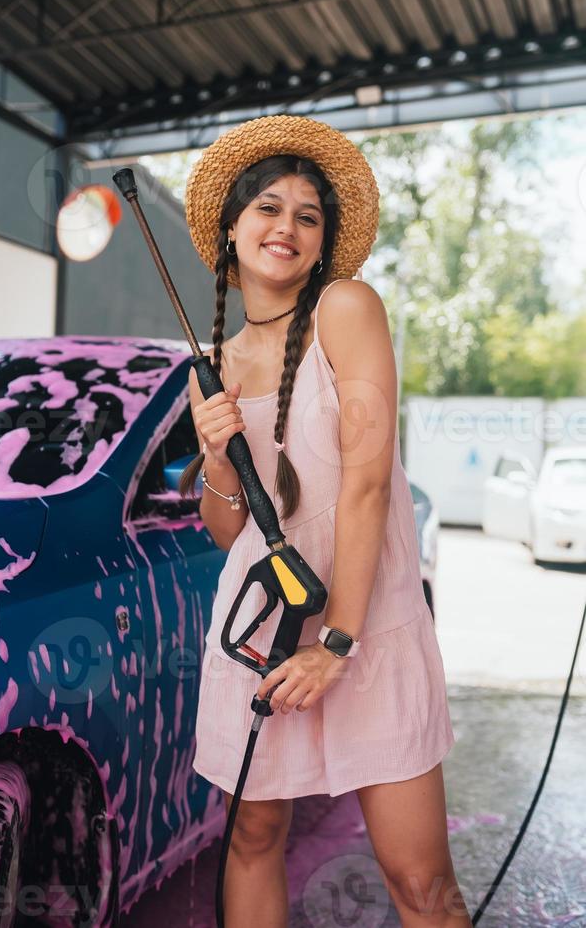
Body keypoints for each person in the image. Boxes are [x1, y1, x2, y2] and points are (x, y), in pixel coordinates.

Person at [179, 115, 472, 928]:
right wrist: (213, 461)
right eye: (268, 208)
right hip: (262, 635)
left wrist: (338, 641)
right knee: (252, 840)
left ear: (321, 243)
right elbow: (225, 533)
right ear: (231, 230)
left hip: (365, 627)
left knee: (419, 881)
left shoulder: (347, 307)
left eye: (307, 216)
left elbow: (368, 482)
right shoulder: (211, 369)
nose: (287, 227)